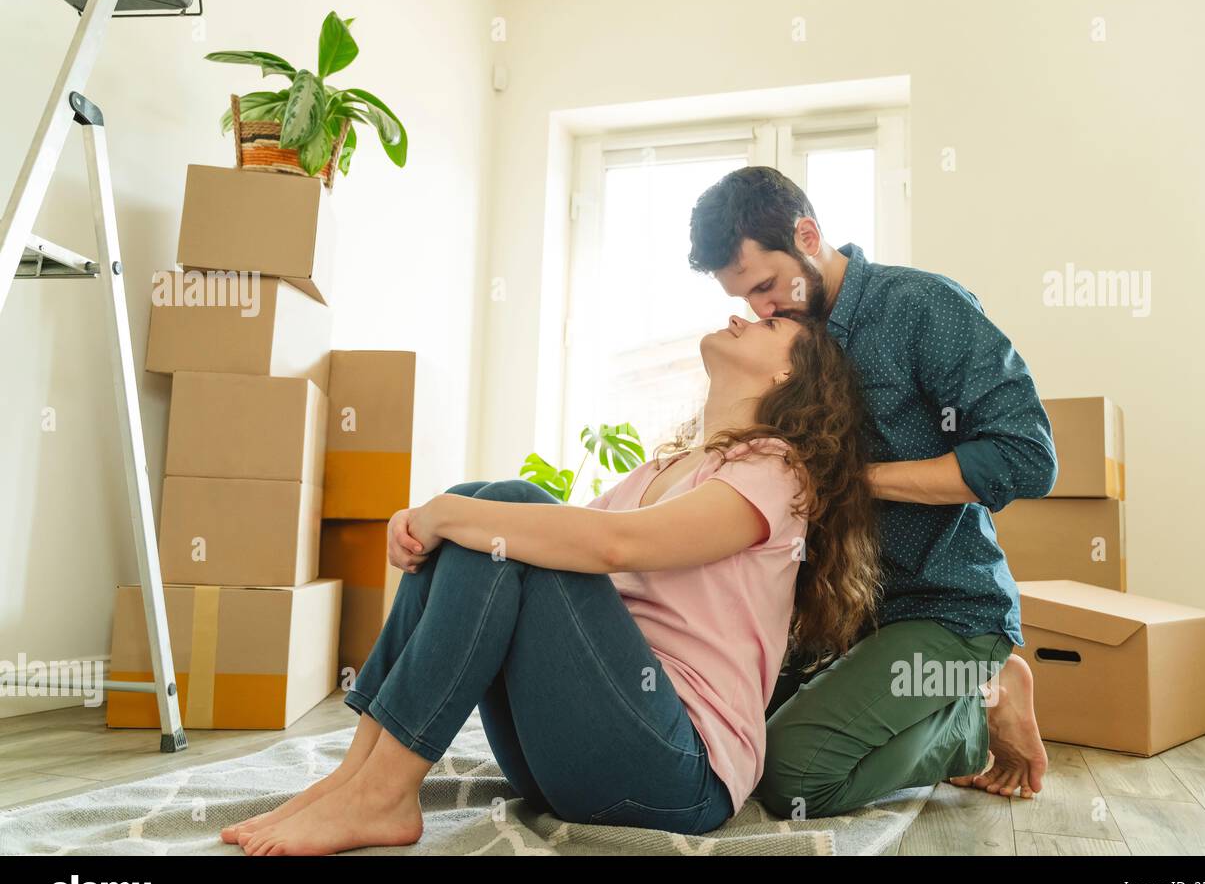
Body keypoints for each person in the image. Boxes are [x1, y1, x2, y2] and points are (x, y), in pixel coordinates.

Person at [220, 311, 883, 855]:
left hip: (675, 773)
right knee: (488, 513)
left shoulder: (776, 470)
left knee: (500, 510)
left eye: (771, 323)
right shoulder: (666, 467)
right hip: (576, 751)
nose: (743, 313)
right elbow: (539, 536)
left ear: (790, 370)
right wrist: (430, 519)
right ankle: (357, 780)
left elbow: (612, 544)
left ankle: (382, 795)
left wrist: (450, 512)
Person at [687, 166, 1056, 816]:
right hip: (834, 611)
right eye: (747, 298)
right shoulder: (783, 344)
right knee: (722, 741)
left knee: (793, 776)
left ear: (808, 233)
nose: (762, 309)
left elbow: (1024, 458)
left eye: (768, 285)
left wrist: (854, 483)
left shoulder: (921, 307)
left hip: (941, 606)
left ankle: (972, 708)